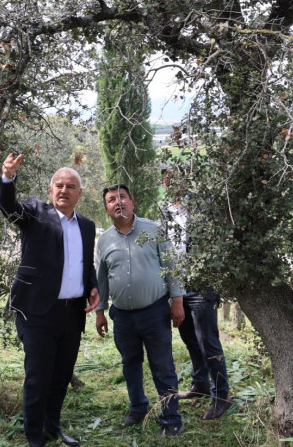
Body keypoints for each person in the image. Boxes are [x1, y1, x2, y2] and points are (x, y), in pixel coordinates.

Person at [0, 153, 100, 447]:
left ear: (79, 193)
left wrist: (92, 285)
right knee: (38, 379)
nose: (64, 190)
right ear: (50, 190)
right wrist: (8, 178)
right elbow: (8, 207)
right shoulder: (34, 214)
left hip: (72, 314)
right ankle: (34, 439)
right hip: (37, 313)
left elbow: (85, 264)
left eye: (70, 186)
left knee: (60, 377)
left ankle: (52, 427)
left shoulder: (87, 226)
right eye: (58, 185)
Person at [94, 183, 186, 437]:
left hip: (155, 312)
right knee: (130, 363)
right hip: (122, 316)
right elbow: (101, 279)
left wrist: (177, 300)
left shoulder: (154, 229)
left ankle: (171, 418)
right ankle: (138, 407)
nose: (118, 202)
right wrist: (100, 312)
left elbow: (171, 266)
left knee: (163, 365)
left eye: (122, 197)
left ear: (133, 202)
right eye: (112, 200)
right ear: (107, 209)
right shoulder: (104, 241)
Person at [161, 172, 231, 420]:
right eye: (166, 179)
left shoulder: (203, 204)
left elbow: (220, 238)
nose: (171, 183)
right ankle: (200, 384)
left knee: (208, 341)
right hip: (177, 287)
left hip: (202, 286)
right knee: (189, 338)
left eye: (175, 178)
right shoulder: (164, 209)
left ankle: (221, 395)